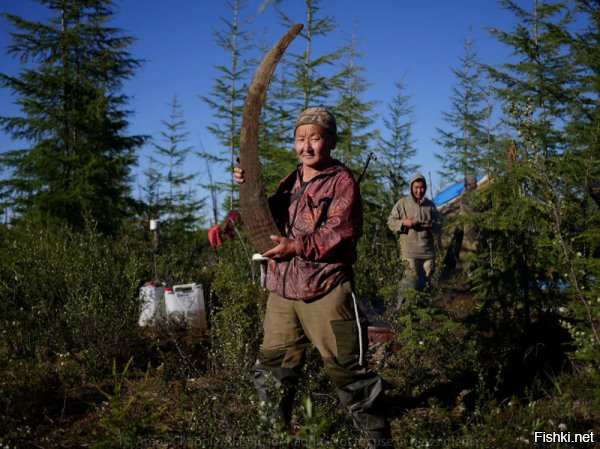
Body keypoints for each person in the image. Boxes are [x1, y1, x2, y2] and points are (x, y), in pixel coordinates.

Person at [234, 107, 393, 449]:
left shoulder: (342, 181)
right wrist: (246, 192)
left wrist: (297, 246)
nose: (307, 146)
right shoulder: (289, 181)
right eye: (300, 139)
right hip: (282, 291)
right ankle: (273, 438)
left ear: (331, 141)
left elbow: (341, 233)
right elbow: (268, 214)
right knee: (273, 370)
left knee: (347, 371)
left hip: (327, 289)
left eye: (315, 138)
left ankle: (379, 439)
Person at [387, 173, 442, 307]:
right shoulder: (402, 203)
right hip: (409, 252)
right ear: (411, 187)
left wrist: (432, 225)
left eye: (422, 187)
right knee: (410, 283)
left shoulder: (430, 205)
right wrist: (405, 223)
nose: (419, 190)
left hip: (428, 252)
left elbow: (440, 225)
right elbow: (390, 222)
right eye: (416, 187)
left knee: (427, 285)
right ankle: (402, 313)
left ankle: (422, 315)